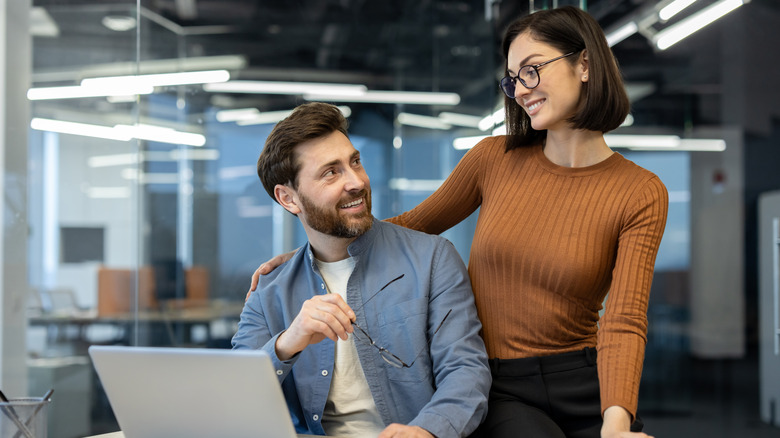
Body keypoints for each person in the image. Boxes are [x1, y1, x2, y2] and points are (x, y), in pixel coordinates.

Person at [249, 6, 668, 438]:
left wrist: (615, 423)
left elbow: (625, 318)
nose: (521, 90)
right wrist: (318, 254)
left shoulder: (641, 191)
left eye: (533, 70)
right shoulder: (493, 159)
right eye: (512, 78)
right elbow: (411, 226)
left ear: (584, 64)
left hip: (585, 379)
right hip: (504, 388)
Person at [232, 102, 490, 438]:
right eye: (331, 172)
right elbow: (238, 396)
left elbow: (466, 372)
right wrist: (287, 343)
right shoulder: (269, 291)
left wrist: (428, 431)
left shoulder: (432, 259)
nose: (357, 182)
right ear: (289, 199)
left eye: (355, 162)